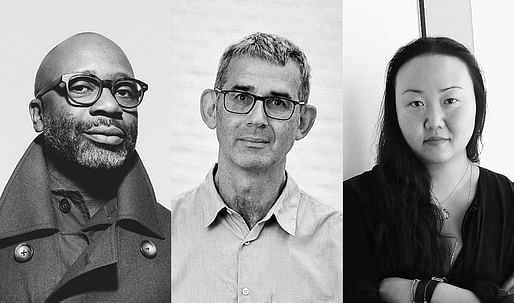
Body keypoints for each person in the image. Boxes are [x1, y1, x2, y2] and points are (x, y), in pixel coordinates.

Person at [171, 32, 342, 302]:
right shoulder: (165, 231)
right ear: (211, 109)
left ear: (303, 122)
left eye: (278, 103)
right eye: (241, 97)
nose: (257, 119)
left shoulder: (339, 244)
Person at [0, 32, 170, 301]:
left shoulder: (180, 242)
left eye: (124, 91)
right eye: (81, 87)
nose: (111, 105)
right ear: (39, 115)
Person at [343, 37, 514, 303]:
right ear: (395, 112)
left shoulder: (510, 201)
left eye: (450, 100)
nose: (434, 121)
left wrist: (425, 292)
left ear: (477, 103)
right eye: (416, 103)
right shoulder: (352, 203)